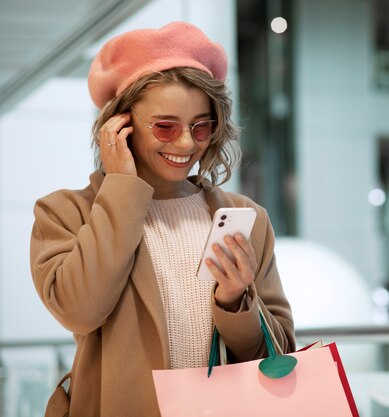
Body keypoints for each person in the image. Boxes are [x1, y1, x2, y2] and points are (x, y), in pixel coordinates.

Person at [30, 21, 295, 416]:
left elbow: (279, 351)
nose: (186, 143)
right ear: (119, 126)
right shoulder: (65, 213)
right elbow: (80, 309)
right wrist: (122, 188)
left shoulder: (245, 217)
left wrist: (236, 302)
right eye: (165, 127)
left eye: (201, 126)